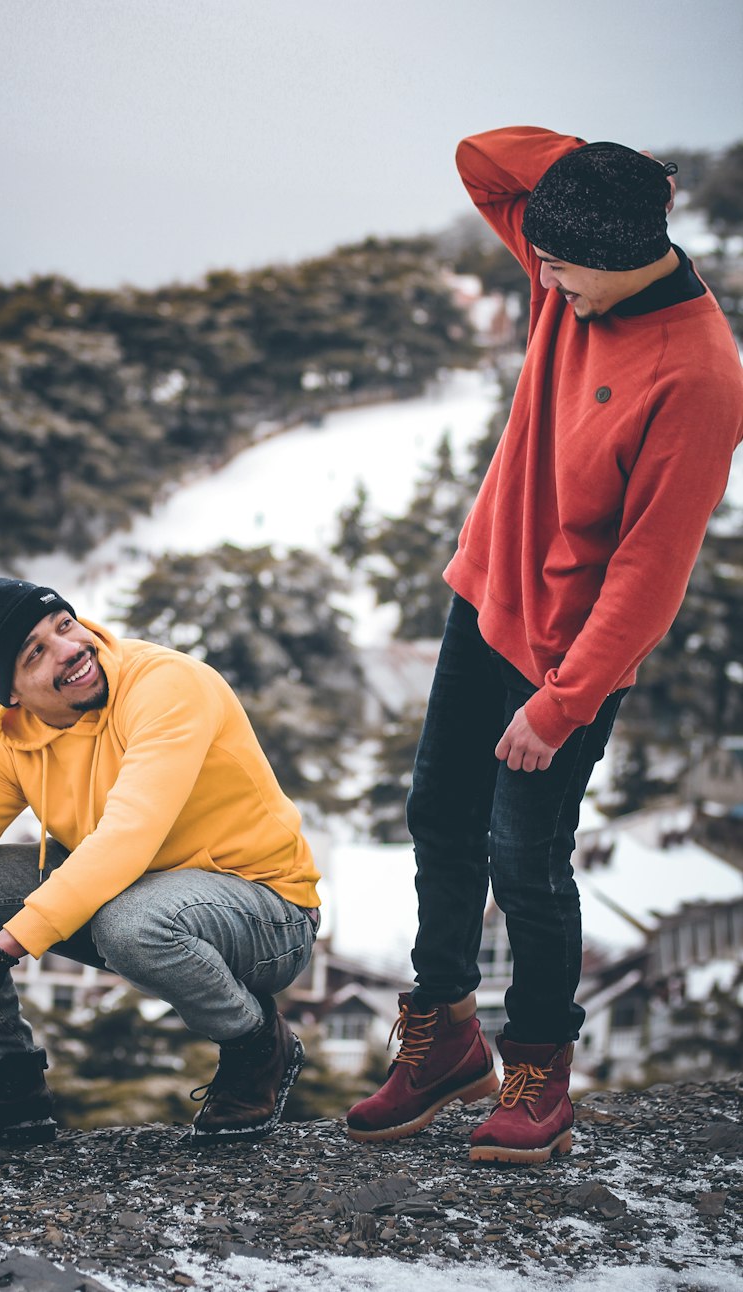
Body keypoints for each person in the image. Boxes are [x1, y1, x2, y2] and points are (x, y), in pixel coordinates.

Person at [347, 126, 743, 1164]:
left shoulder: (697, 374)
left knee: (527, 859)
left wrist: (561, 702)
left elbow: (650, 575)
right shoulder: (575, 268)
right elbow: (485, 157)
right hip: (483, 601)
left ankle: (537, 1074)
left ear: (620, 259)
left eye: (560, 263)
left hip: (568, 653)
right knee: (437, 813)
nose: (542, 276)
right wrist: (609, 176)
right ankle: (441, 1039)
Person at [0, 579, 321, 1149]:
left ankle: (257, 1045)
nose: (69, 649)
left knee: (132, 923)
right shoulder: (11, 743)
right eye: (34, 653)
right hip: (136, 897)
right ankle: (11, 1084)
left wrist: (8, 945)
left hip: (267, 912)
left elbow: (129, 834)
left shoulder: (166, 685)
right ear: (10, 692)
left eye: (64, 626)